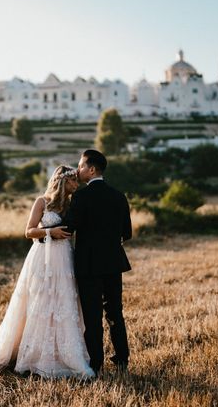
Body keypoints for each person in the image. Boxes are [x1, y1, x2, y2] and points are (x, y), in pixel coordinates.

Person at [0, 165, 95, 379]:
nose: (77, 185)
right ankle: (30, 353)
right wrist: (50, 231)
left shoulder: (72, 204)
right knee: (38, 301)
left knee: (62, 302)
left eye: (77, 181)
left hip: (63, 258)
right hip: (42, 256)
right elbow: (28, 231)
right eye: (73, 181)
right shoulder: (42, 201)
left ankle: (61, 355)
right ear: (62, 181)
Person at [63, 149, 132, 374]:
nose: (79, 169)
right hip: (113, 263)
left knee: (92, 318)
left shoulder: (80, 197)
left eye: (82, 166)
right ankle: (122, 359)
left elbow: (68, 229)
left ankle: (96, 364)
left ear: (91, 169)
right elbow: (127, 233)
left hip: (89, 265)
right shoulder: (119, 196)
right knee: (115, 313)